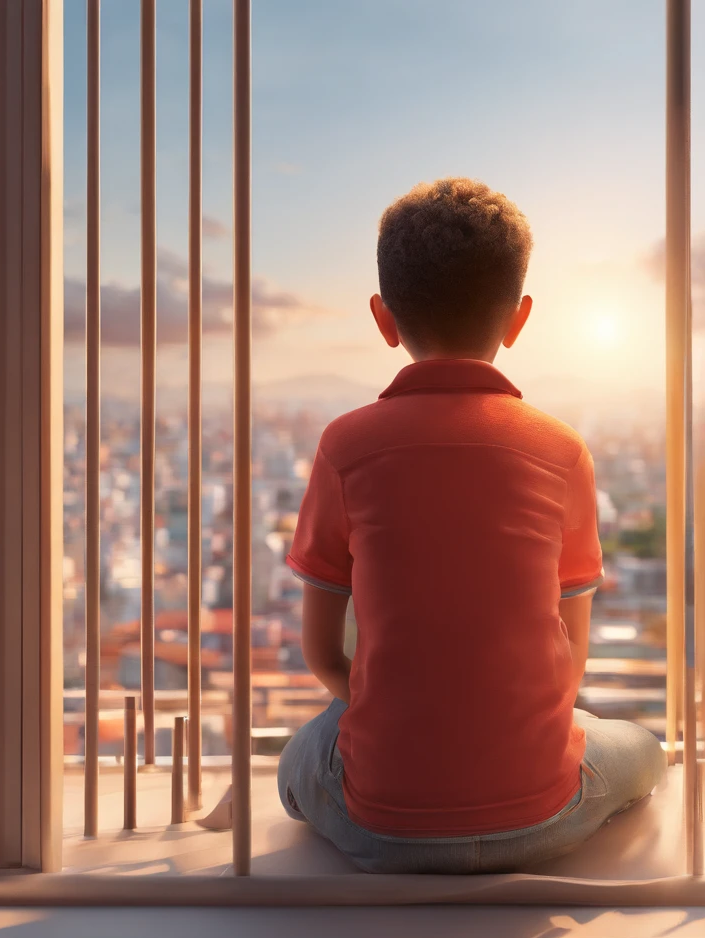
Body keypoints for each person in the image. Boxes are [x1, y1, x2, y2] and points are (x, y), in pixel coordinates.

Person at [200, 177, 665, 872]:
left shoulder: (346, 446)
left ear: (384, 319)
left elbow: (326, 654)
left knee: (309, 750)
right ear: (518, 318)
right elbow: (568, 669)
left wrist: (399, 706)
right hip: (540, 815)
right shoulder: (562, 450)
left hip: (378, 826)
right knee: (641, 749)